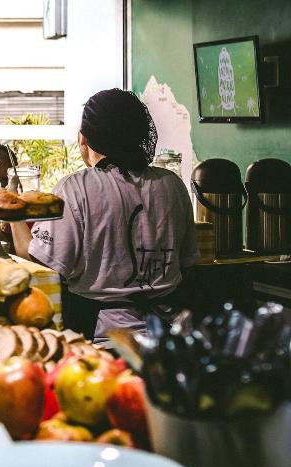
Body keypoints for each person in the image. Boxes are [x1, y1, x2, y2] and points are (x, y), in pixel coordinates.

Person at [12, 88, 198, 345]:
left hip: (105, 340)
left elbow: (38, 261)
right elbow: (188, 263)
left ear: (84, 138)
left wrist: (11, 207)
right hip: (173, 336)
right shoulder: (172, 184)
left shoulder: (75, 188)